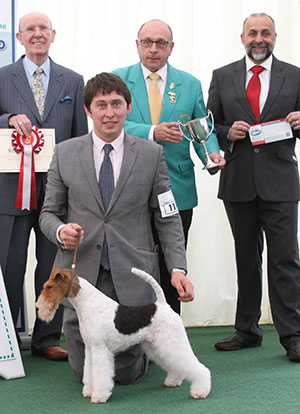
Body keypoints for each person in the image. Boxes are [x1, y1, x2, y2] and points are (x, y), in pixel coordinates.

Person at [39, 72, 194, 384]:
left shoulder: (152, 154)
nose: (109, 112)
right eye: (101, 105)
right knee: (85, 372)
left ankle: (141, 354)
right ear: (88, 110)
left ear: (128, 106)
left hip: (132, 275)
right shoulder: (65, 153)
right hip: (81, 276)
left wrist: (178, 268)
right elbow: (48, 213)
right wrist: (60, 232)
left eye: (116, 104)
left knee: (123, 374)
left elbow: (168, 216)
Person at [113, 19, 225, 314]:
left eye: (160, 43)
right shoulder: (117, 80)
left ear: (171, 48)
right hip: (128, 188)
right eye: (147, 42)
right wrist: (152, 132)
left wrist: (212, 155)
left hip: (177, 189)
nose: (153, 49)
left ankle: (170, 339)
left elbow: (202, 130)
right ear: (136, 45)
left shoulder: (189, 84)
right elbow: (110, 125)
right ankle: (135, 338)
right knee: (134, 268)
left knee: (173, 266)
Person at [207, 12, 300, 362]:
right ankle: (247, 330)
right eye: (252, 33)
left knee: (285, 261)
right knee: (246, 259)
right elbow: (209, 125)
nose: (258, 39)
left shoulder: (295, 75)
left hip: (280, 182)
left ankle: (293, 335)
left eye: (265, 33)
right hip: (238, 181)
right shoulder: (222, 76)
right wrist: (226, 133)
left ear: (275, 36)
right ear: (241, 37)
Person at [0, 12, 88, 360]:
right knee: (9, 264)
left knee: (53, 267)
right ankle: (5, 339)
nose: (37, 34)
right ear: (19, 38)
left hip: (58, 192)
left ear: (53, 35)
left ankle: (46, 338)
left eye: (43, 29)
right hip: (11, 190)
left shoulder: (74, 80)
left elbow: (81, 136)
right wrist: (6, 120)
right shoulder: (2, 78)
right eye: (30, 30)